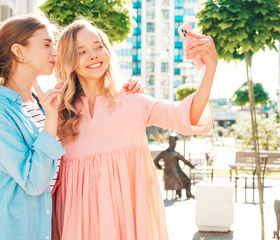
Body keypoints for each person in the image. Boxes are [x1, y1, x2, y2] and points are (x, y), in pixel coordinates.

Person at [0, 14, 143, 240]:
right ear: (19, 51)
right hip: (3, 229)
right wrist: (49, 120)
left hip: (35, 228)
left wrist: (123, 90)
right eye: (46, 44)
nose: (55, 52)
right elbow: (34, 182)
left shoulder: (39, 102)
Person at [52, 18, 217, 240]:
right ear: (69, 60)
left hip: (127, 224)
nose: (93, 54)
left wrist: (210, 69)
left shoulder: (133, 101)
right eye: (81, 51)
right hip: (76, 225)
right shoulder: (59, 112)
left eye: (98, 46)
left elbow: (184, 117)